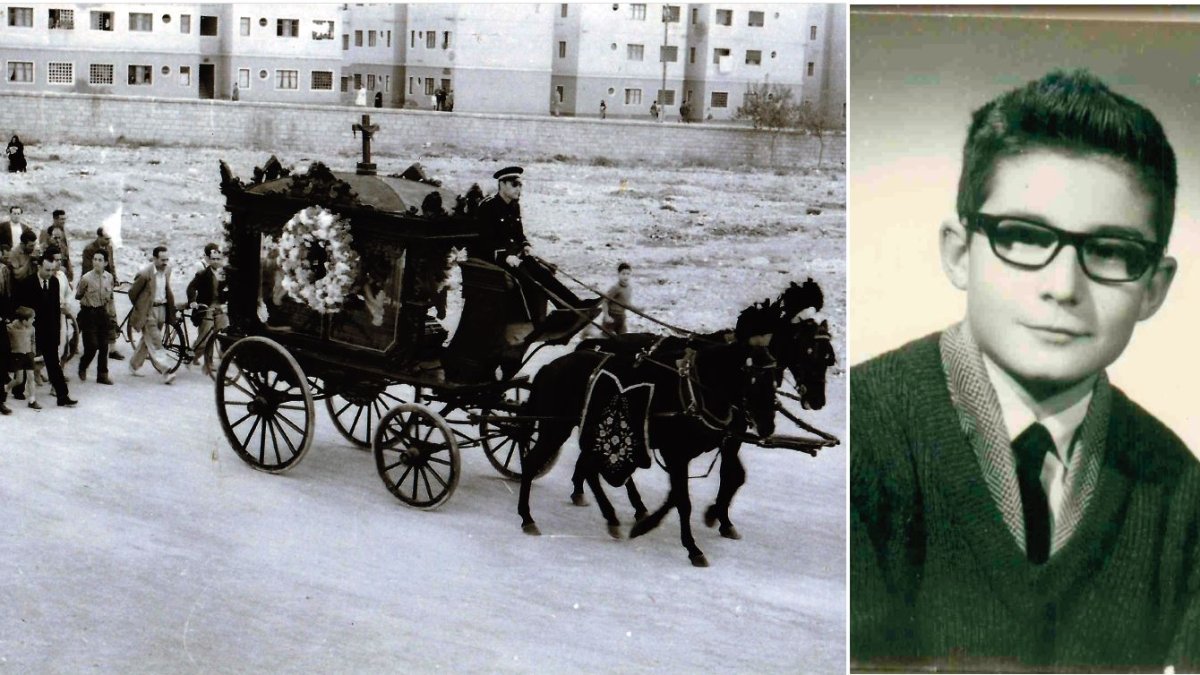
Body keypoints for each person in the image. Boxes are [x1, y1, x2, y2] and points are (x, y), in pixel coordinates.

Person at [850, 70, 1200, 671]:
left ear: (1154, 289)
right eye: (1023, 237)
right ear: (960, 253)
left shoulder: (1177, 490)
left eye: (1112, 251)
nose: (1063, 288)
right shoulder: (865, 436)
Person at [472, 166, 598, 312]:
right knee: (529, 282)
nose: (518, 188)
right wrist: (505, 256)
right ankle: (533, 323)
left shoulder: (514, 205)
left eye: (520, 185)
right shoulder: (488, 207)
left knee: (544, 273)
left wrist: (526, 245)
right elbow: (487, 240)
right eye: (514, 184)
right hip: (496, 258)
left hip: (516, 255)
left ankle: (573, 306)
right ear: (502, 184)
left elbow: (518, 234)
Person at [15, 253, 75, 406]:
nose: (49, 273)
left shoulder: (54, 282)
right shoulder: (27, 284)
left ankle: (62, 396)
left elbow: (55, 310)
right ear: (39, 267)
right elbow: (20, 309)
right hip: (31, 331)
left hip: (48, 331)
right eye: (47, 270)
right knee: (25, 360)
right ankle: (18, 390)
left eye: (51, 270)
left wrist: (56, 332)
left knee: (53, 364)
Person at [126, 246, 176, 384]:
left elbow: (166, 289)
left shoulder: (167, 270)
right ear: (154, 259)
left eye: (167, 259)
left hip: (162, 310)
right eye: (162, 260)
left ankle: (133, 365)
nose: (165, 262)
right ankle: (166, 371)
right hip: (148, 311)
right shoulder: (145, 274)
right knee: (156, 341)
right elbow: (132, 293)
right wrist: (141, 308)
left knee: (147, 340)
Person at [82, 227, 123, 362]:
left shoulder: (109, 248)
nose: (108, 241)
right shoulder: (89, 249)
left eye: (109, 239)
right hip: (93, 290)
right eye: (106, 238)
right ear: (98, 237)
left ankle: (112, 348)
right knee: (90, 319)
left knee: (111, 316)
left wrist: (114, 279)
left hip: (107, 287)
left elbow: (111, 265)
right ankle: (78, 343)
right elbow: (87, 271)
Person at [185, 243, 227, 375]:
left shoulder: (225, 275)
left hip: (220, 308)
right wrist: (192, 301)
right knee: (205, 337)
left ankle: (208, 364)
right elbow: (191, 287)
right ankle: (191, 355)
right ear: (209, 260)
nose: (215, 261)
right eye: (213, 259)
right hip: (206, 308)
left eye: (218, 259)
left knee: (223, 333)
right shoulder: (203, 274)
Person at [75, 249, 114, 385]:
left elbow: (110, 297)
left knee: (104, 346)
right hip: (88, 314)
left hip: (102, 313)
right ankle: (83, 365)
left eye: (100, 260)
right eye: (95, 259)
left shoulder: (109, 278)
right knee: (91, 346)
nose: (96, 262)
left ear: (105, 263)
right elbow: (78, 294)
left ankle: (102, 375)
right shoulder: (86, 278)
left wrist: (111, 315)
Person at [6, 306, 38, 408]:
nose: (34, 320)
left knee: (31, 377)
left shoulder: (32, 328)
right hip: (17, 355)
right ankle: (6, 387)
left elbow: (33, 341)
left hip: (28, 355)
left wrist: (33, 352)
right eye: (32, 319)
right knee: (19, 380)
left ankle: (32, 400)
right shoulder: (11, 328)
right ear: (24, 321)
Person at [602, 262, 634, 335]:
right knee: (606, 340)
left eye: (628, 274)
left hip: (622, 317)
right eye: (623, 274)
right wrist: (606, 316)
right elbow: (605, 302)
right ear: (618, 274)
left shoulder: (629, 288)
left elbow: (627, 304)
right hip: (612, 317)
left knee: (623, 339)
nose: (625, 276)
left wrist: (639, 309)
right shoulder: (615, 288)